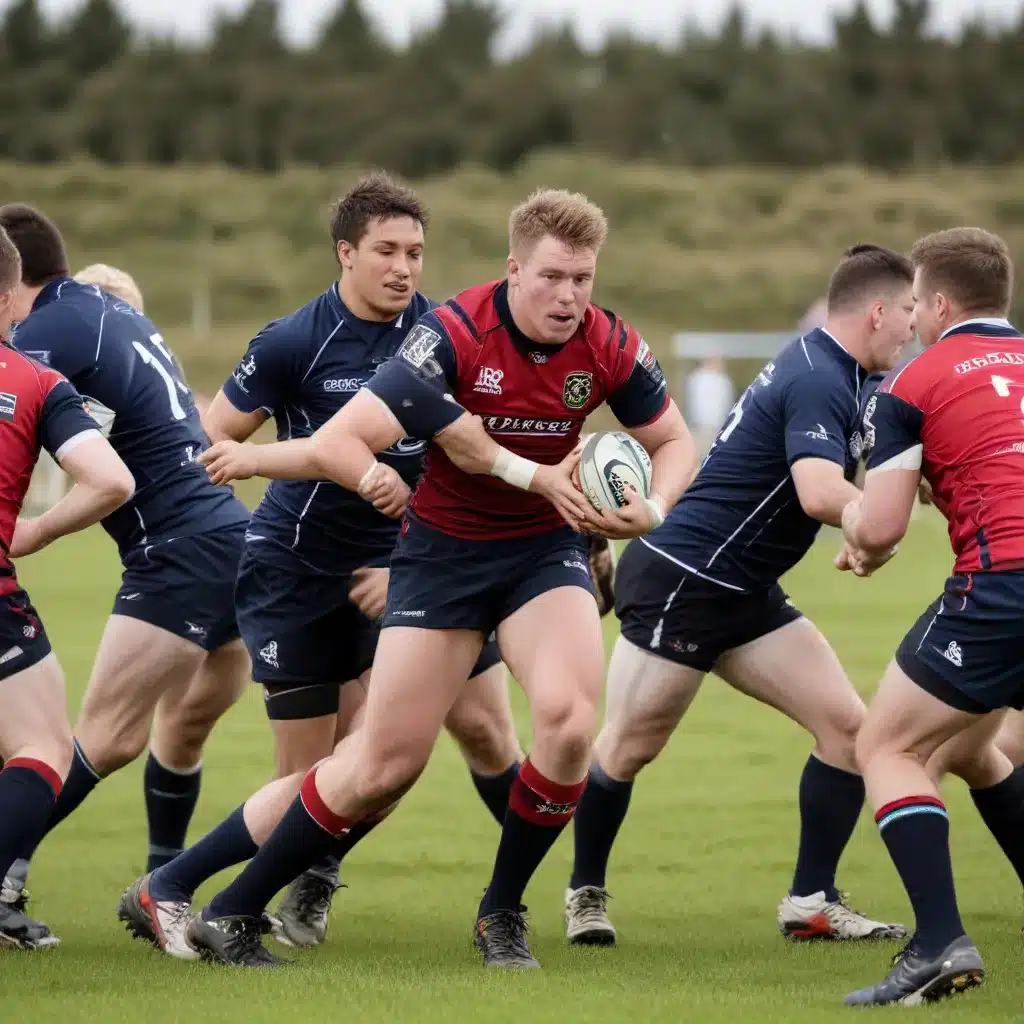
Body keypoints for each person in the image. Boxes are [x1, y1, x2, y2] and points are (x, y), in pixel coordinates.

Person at [143, 186, 693, 969]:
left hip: (541, 554)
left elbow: (673, 438)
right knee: (381, 764)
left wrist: (656, 506)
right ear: (513, 269)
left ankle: (501, 911)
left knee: (569, 724)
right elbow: (349, 439)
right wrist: (365, 475)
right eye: (551, 278)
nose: (569, 297)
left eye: (583, 278)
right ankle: (219, 899)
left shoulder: (609, 344)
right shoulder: (451, 334)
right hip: (439, 557)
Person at [142, 171, 526, 949]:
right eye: (386, 250)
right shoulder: (294, 341)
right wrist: (345, 467)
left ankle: (506, 896)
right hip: (300, 573)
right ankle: (203, 894)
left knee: (467, 737)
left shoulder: (449, 336)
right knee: (323, 775)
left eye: (416, 252)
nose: (404, 268)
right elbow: (215, 444)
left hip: (419, 571)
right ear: (345, 253)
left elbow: (481, 449)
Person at [562, 245, 915, 949]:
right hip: (684, 581)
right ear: (877, 312)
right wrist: (864, 523)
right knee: (628, 748)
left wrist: (865, 517)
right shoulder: (821, 378)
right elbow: (820, 491)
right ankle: (584, 896)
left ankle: (812, 901)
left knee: (850, 731)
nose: (912, 327)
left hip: (744, 588)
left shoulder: (841, 373)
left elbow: (826, 488)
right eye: (908, 312)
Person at [0, 204, 252, 946]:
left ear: (14, 282)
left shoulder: (41, 332)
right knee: (183, 724)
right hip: (228, 533)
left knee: (96, 738)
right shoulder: (102, 310)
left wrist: (35, 529)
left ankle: (10, 880)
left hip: (179, 547)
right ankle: (163, 882)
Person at [841, 227, 1024, 1006]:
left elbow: (879, 527)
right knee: (979, 751)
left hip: (1004, 585)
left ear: (941, 302)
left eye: (916, 302)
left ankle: (940, 943)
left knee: (886, 745)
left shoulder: (913, 382)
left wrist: (857, 541)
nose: (910, 317)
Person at [0, 226, 136, 946]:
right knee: (45, 746)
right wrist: (40, 529)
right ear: (9, 302)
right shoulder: (32, 380)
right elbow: (113, 479)